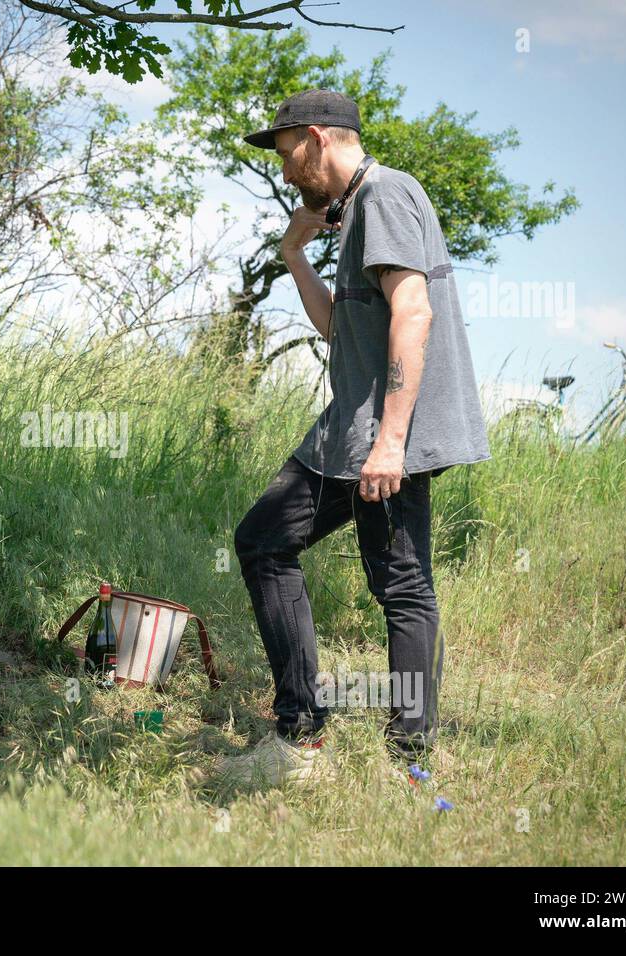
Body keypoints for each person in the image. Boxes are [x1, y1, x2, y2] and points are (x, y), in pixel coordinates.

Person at [223, 90, 490, 785]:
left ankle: (408, 760)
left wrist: (392, 440)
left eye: (287, 155)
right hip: (348, 433)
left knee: (400, 584)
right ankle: (303, 733)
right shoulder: (356, 216)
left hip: (383, 434)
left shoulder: (385, 196)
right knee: (263, 541)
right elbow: (339, 328)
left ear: (317, 138)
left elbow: (413, 309)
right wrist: (292, 253)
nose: (286, 174)